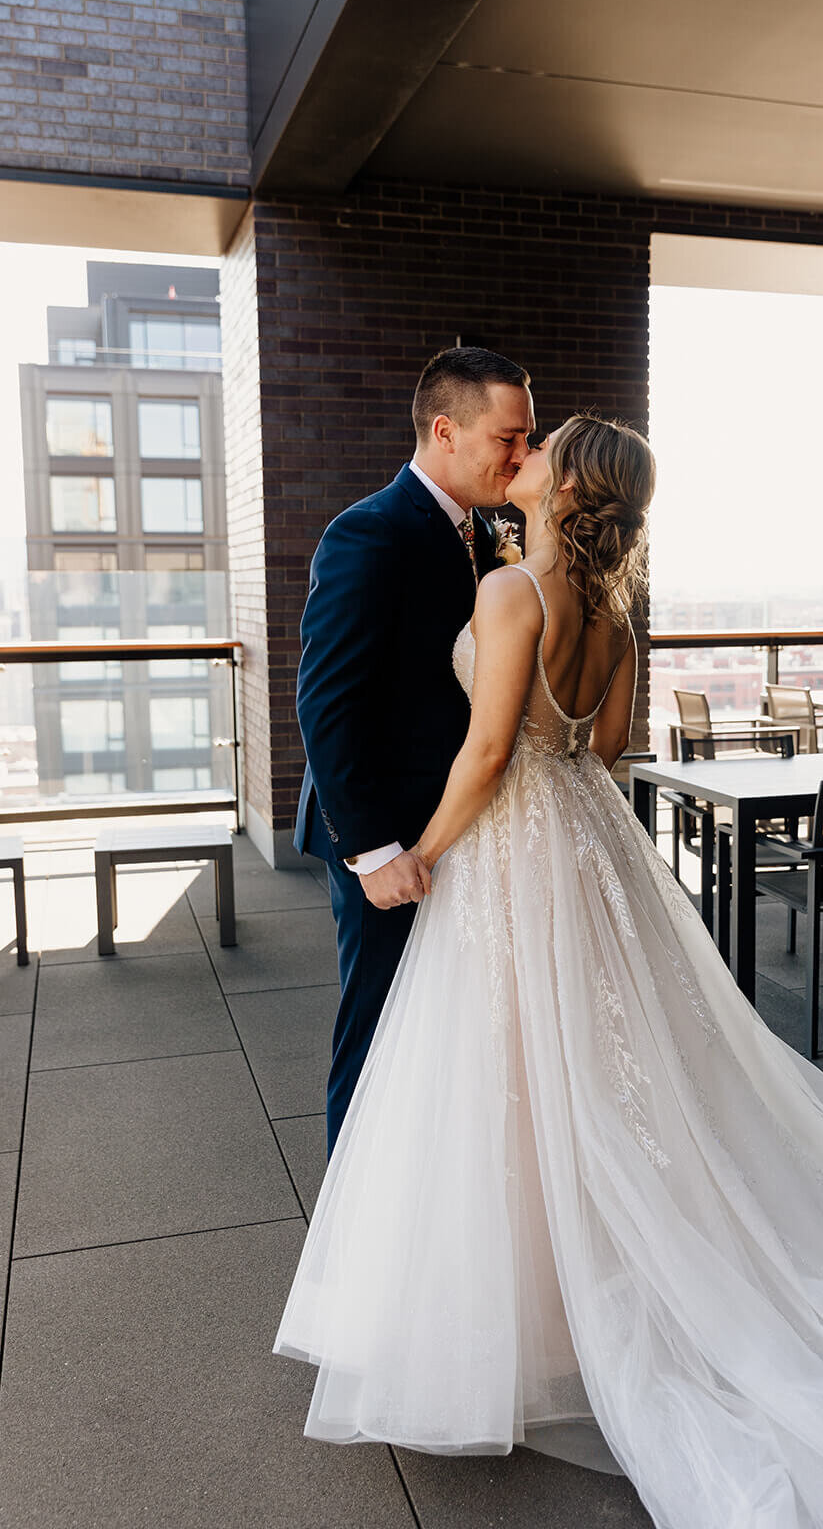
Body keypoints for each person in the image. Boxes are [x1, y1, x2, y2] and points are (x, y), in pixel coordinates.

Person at [278, 416, 823, 1528]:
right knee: (603, 1058)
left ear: (564, 485)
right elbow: (598, 751)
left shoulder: (510, 594)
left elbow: (489, 752)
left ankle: (516, 1308)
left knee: (503, 1059)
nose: (526, 455)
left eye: (540, 448)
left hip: (509, 842)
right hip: (590, 839)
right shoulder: (609, 615)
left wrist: (423, 852)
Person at [293, 345, 535, 1155]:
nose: (522, 455)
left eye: (526, 438)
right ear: (445, 430)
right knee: (379, 1028)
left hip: (464, 822)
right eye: (508, 437)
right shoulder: (370, 532)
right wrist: (370, 848)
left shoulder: (499, 530)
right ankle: (347, 1245)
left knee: (443, 1032)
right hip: (389, 833)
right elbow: (327, 701)